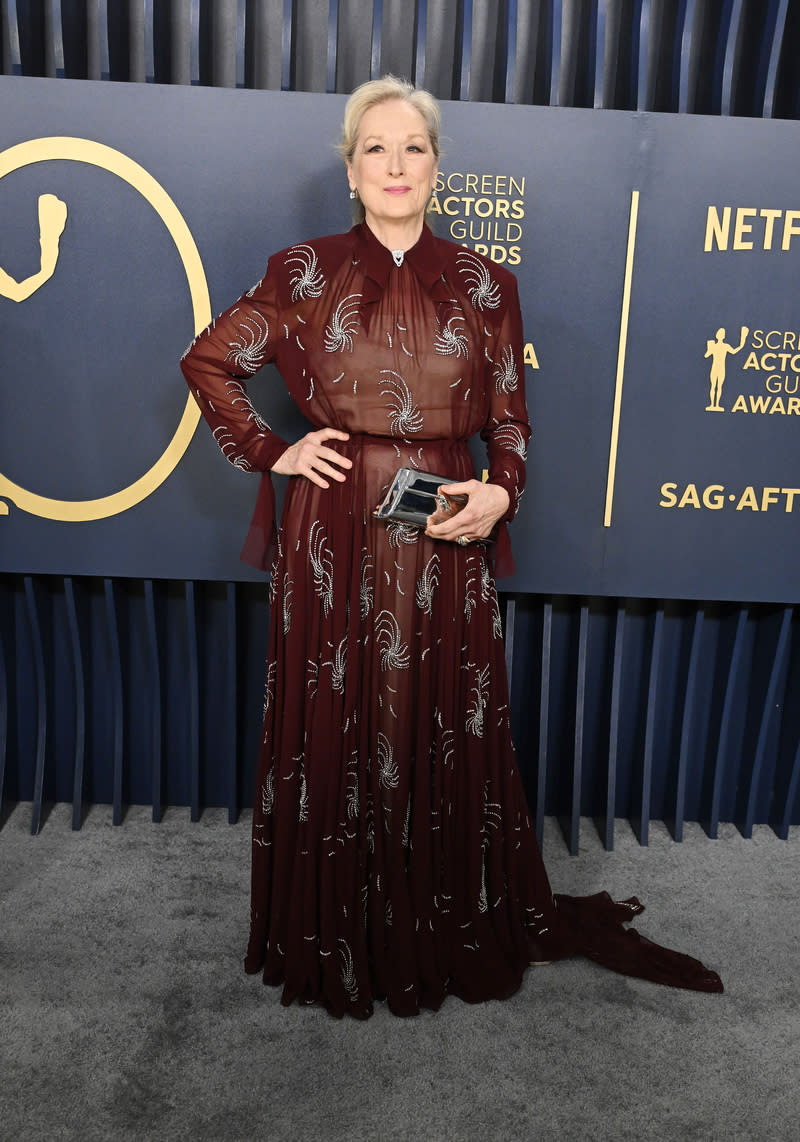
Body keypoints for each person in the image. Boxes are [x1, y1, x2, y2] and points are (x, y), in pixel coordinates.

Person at [181, 76, 722, 1018]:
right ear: (351, 169)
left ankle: (436, 924)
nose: (395, 165)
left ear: (438, 165)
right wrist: (276, 450)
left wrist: (500, 493)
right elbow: (211, 361)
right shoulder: (300, 270)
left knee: (431, 718)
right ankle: (340, 936)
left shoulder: (486, 284)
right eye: (376, 149)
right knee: (341, 713)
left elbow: (510, 422)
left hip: (443, 528)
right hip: (335, 528)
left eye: (413, 148)